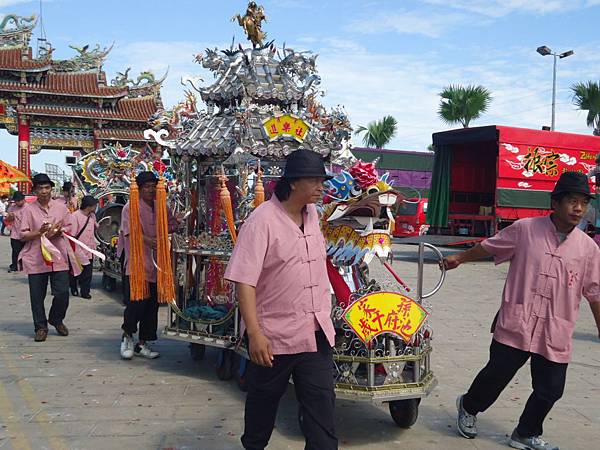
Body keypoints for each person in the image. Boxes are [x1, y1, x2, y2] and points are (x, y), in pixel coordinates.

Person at [444, 172, 600, 450]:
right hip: (518, 321)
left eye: (583, 203)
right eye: (572, 201)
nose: (578, 208)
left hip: (555, 328)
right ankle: (468, 405)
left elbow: (595, 293)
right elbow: (490, 246)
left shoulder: (588, 249)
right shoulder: (525, 229)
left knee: (551, 389)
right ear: (555, 203)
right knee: (495, 377)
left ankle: (525, 433)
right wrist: (460, 257)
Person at [225, 149, 338, 450]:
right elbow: (244, 281)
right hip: (274, 338)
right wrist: (255, 334)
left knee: (322, 417)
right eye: (314, 180)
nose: (320, 186)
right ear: (293, 182)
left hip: (315, 333)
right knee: (261, 411)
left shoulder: (313, 214)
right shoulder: (261, 221)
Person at [119, 171, 180, 360]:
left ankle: (143, 343)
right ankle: (127, 336)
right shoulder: (130, 207)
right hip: (137, 264)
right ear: (138, 188)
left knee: (152, 306)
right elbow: (129, 232)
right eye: (147, 187)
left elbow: (171, 225)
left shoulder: (161, 205)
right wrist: (149, 240)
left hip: (157, 264)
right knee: (136, 303)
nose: (151, 190)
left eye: (153, 186)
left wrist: (177, 222)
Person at [19, 174, 73, 342]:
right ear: (35, 190)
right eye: (40, 188)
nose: (44, 191)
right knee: (37, 296)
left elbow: (69, 228)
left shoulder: (61, 207)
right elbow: (23, 235)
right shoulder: (28, 209)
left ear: (51, 189)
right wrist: (40, 233)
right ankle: (41, 327)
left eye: (47, 188)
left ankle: (56, 318)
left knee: (63, 293)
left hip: (58, 256)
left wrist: (58, 231)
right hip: (36, 257)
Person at [69, 195, 99, 299]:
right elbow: (72, 234)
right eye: (95, 205)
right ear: (89, 206)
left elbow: (95, 226)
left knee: (88, 272)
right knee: (76, 271)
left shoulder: (92, 216)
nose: (96, 207)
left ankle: (85, 292)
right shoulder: (75, 216)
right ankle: (73, 288)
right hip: (78, 248)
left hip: (89, 248)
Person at [6, 191, 27, 272]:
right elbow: (7, 220)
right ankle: (15, 265)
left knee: (26, 251)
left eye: (20, 200)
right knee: (15, 251)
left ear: (23, 199)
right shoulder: (12, 208)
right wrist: (10, 217)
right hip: (15, 233)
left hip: (26, 233)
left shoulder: (29, 207)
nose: (18, 202)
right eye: (16, 201)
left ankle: (24, 265)